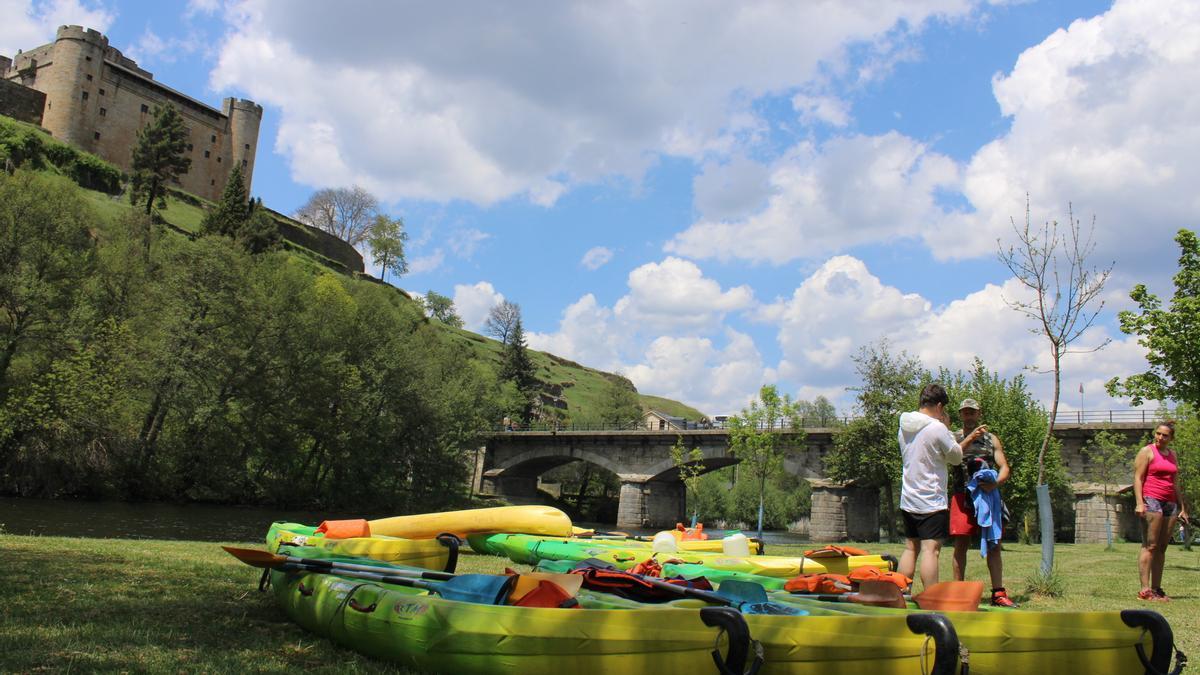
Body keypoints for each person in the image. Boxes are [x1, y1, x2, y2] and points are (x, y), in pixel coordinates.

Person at [897, 384, 988, 590]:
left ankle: (901, 592)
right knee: (931, 550)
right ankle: (931, 597)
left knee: (911, 548)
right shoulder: (938, 428)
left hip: (908, 496)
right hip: (931, 499)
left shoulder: (904, 425)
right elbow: (956, 458)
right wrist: (946, 428)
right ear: (939, 406)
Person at [949, 398, 1017, 607]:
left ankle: (998, 593)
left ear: (979, 414)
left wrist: (995, 483)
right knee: (961, 543)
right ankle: (958, 591)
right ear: (960, 415)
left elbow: (1004, 465)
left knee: (994, 544)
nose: (969, 416)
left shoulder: (991, 439)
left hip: (988, 498)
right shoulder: (954, 437)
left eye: (972, 412)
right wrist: (969, 438)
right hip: (962, 497)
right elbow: (950, 456)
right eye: (965, 412)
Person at [1134, 421, 1189, 601]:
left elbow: (1175, 483)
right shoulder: (1147, 452)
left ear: (1171, 438)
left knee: (1162, 548)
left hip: (1170, 503)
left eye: (1165, 435)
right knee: (1150, 545)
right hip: (1151, 499)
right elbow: (1138, 478)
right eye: (1158, 433)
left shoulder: (1172, 454)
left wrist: (1182, 507)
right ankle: (1145, 590)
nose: (1160, 437)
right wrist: (1139, 503)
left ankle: (1157, 589)